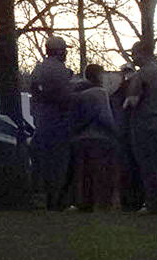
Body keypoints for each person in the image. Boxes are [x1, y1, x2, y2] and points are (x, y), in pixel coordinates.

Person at [123, 40, 157, 213]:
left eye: (134, 54)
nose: (133, 57)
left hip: (144, 124)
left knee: (148, 165)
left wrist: (125, 101)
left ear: (143, 54)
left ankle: (153, 202)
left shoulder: (142, 75)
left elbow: (133, 100)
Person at [27, 37, 74, 210]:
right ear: (59, 51)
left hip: (42, 124)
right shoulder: (59, 70)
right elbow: (66, 97)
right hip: (57, 124)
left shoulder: (39, 69)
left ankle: (40, 201)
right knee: (58, 165)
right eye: (64, 50)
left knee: (41, 165)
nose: (67, 53)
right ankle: (57, 202)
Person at [69, 64, 118, 210]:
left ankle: (82, 202)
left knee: (83, 174)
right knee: (100, 173)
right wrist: (115, 132)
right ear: (98, 75)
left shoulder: (76, 92)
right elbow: (105, 116)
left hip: (79, 137)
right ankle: (101, 203)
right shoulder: (99, 93)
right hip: (98, 137)